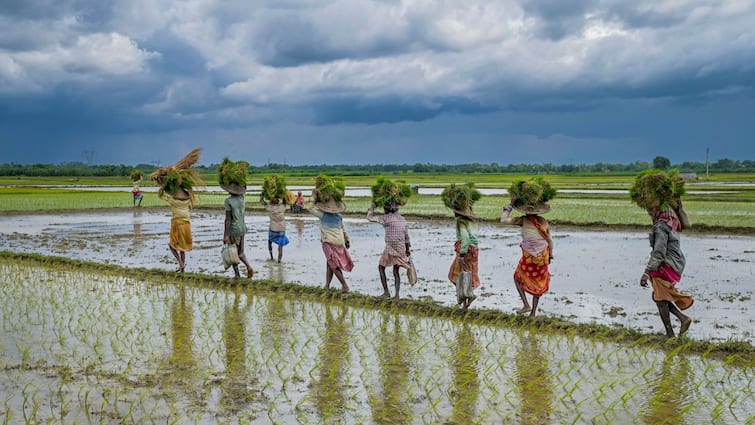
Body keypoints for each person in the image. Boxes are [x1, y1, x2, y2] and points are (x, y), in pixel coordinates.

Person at [640, 206, 693, 338]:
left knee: (660, 298)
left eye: (650, 210)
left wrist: (646, 273)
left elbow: (659, 252)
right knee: (660, 297)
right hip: (676, 264)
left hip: (667, 265)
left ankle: (671, 333)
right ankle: (682, 319)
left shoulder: (661, 227)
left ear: (657, 210)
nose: (649, 213)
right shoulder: (670, 222)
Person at [501, 201, 554, 317]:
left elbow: (504, 220)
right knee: (539, 283)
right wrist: (551, 255)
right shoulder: (544, 222)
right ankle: (533, 313)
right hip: (543, 257)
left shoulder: (523, 220)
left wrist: (507, 209)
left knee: (517, 277)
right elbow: (550, 240)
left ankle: (526, 305)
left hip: (529, 258)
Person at [367, 202, 411, 299]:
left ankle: (386, 292)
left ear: (386, 209)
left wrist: (372, 208)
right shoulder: (402, 219)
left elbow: (370, 218)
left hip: (390, 247)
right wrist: (407, 249)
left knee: (381, 267)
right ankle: (397, 295)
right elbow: (407, 237)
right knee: (396, 271)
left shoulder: (385, 218)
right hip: (400, 247)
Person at [310, 198, 353, 293]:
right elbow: (343, 229)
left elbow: (310, 208)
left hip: (328, 242)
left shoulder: (323, 215)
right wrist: (347, 240)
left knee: (333, 264)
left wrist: (313, 197)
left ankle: (345, 286)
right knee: (330, 264)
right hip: (339, 241)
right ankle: (327, 286)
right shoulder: (339, 217)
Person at [448, 207, 479, 309]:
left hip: (465, 250)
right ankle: (465, 302)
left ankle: (468, 295)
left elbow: (465, 238)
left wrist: (461, 254)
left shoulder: (461, 222)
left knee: (454, 275)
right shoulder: (471, 221)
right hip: (473, 250)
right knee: (467, 275)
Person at [222, 184, 253, 278]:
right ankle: (248, 266)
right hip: (242, 228)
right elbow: (245, 189)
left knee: (233, 253)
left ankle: (237, 274)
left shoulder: (228, 201)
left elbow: (228, 219)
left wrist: (226, 235)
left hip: (233, 230)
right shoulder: (242, 198)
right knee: (240, 252)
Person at [159, 188, 193, 273]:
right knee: (182, 248)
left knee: (171, 245)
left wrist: (163, 187)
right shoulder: (188, 201)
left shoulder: (173, 201)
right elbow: (191, 194)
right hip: (186, 225)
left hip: (177, 224)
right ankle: (182, 268)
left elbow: (160, 195)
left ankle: (180, 263)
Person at [261, 194, 289, 262]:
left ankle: (271, 257)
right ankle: (279, 260)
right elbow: (285, 201)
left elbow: (262, 202)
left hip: (273, 228)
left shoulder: (270, 207)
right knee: (280, 245)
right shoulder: (282, 207)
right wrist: (283, 194)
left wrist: (262, 195)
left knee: (269, 241)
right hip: (281, 228)